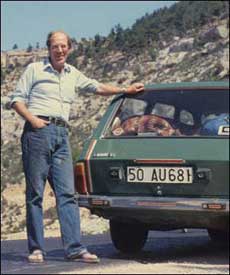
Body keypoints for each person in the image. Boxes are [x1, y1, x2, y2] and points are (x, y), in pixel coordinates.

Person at [10, 30, 144, 263]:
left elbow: (97, 87)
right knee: (35, 194)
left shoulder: (73, 74)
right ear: (48, 49)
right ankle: (36, 249)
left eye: (63, 46)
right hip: (38, 133)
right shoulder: (34, 69)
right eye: (55, 47)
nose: (59, 50)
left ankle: (74, 248)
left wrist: (126, 90)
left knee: (68, 194)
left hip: (62, 134)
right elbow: (16, 100)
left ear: (69, 48)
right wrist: (34, 121)